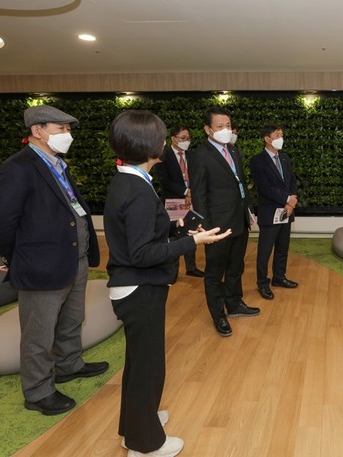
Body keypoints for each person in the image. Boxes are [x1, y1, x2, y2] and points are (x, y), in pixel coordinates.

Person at [104, 110, 231, 457]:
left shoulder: (130, 180)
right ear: (148, 145)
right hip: (139, 286)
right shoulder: (137, 189)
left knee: (139, 362)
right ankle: (145, 444)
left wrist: (180, 231)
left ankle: (137, 422)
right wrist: (193, 243)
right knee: (148, 366)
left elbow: (144, 236)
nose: (167, 141)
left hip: (133, 285)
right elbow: (144, 253)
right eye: (161, 137)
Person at [0, 105, 109, 416]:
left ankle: (69, 364)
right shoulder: (18, 168)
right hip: (41, 265)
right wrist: (14, 258)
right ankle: (38, 391)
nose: (67, 135)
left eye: (68, 129)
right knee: (38, 333)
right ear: (37, 132)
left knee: (72, 319)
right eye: (60, 129)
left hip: (74, 258)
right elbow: (1, 221)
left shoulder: (59, 164)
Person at [190, 107, 260, 337]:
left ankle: (234, 303)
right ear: (208, 129)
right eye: (220, 126)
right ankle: (218, 314)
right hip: (217, 226)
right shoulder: (200, 155)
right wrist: (206, 228)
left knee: (235, 267)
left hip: (239, 221)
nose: (226, 130)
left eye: (228, 126)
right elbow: (199, 195)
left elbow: (240, 185)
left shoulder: (234, 150)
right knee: (214, 272)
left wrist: (248, 210)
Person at [249, 124, 299, 300]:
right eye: (277, 135)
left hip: (287, 211)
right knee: (265, 251)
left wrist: (291, 202)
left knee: (282, 248)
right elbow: (265, 188)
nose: (281, 138)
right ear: (267, 139)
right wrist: (287, 199)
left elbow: (292, 180)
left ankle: (279, 277)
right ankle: (262, 283)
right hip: (270, 212)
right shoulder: (257, 161)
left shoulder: (285, 158)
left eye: (282, 135)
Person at [152, 126, 205, 277]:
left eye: (188, 138)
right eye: (183, 138)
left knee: (190, 230)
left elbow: (198, 176)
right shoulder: (163, 155)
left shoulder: (192, 156)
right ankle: (173, 271)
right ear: (173, 138)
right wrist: (185, 191)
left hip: (191, 200)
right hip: (173, 202)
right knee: (174, 235)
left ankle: (191, 267)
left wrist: (192, 191)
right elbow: (164, 180)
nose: (186, 141)